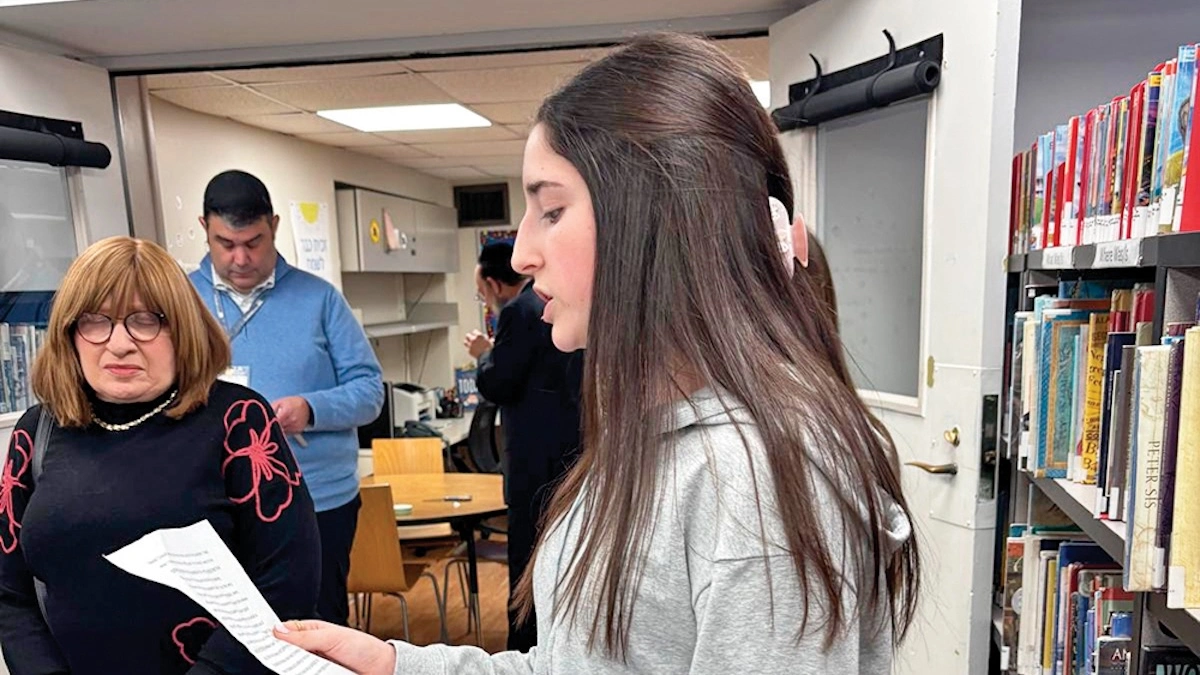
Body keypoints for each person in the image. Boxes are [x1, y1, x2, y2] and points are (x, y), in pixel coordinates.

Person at [276, 32, 921, 674]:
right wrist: (396, 665)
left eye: (551, 210)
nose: (523, 254)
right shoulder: (649, 436)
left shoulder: (754, 491)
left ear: (660, 220)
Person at [0, 236, 321, 674]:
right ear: (70, 334)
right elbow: (9, 590)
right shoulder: (35, 433)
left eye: (145, 320)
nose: (119, 343)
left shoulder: (237, 421)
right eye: (95, 321)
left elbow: (287, 580)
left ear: (182, 329)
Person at [189, 170, 384, 627]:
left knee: (319, 627)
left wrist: (310, 409)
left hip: (318, 500)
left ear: (274, 226)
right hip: (214, 500)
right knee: (231, 633)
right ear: (204, 229)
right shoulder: (180, 300)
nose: (240, 258)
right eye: (225, 243)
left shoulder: (321, 300)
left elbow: (370, 391)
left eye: (253, 242)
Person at [462, 241, 582, 653]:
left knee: (528, 557)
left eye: (483, 292)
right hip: (570, 447)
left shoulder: (517, 311)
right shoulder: (552, 302)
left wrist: (482, 356)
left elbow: (499, 382)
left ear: (495, 283)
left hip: (534, 458)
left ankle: (527, 649)